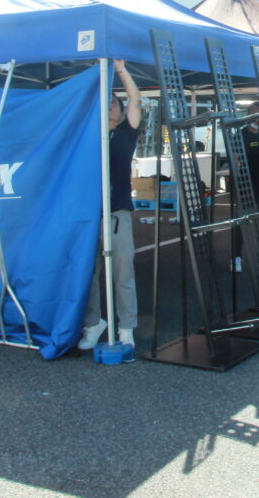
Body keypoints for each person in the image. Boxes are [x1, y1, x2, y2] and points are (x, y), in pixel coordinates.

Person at [79, 59, 142, 352]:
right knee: (87, 274)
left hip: (117, 213)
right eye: (106, 103)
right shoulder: (90, 134)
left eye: (114, 103)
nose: (110, 107)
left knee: (122, 273)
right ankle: (93, 323)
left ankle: (126, 327)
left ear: (120, 109)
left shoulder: (126, 133)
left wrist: (120, 70)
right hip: (89, 214)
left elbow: (135, 98)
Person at [231, 100, 259, 273]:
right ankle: (236, 257)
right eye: (253, 114)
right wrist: (236, 181)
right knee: (242, 220)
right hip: (245, 182)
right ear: (248, 116)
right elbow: (235, 160)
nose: (258, 119)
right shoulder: (241, 135)